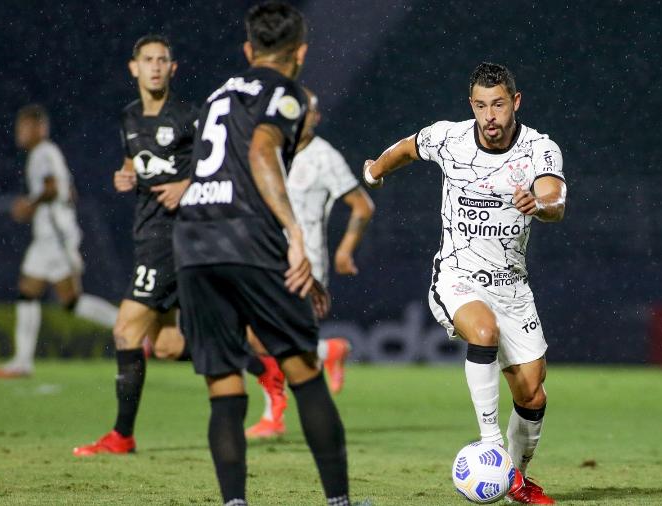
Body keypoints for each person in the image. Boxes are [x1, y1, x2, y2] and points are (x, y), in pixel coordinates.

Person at [362, 62, 566, 504]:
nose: (489, 116)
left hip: (512, 286)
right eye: (480, 106)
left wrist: (540, 204)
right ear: (470, 105)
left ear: (515, 102)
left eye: (497, 105)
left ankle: (515, 478)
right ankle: (490, 443)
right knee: (483, 330)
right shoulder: (449, 138)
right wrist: (374, 172)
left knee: (532, 391)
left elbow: (556, 199)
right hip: (457, 276)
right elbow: (408, 147)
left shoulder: (539, 149)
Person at [173, 3, 351, 505]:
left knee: (224, 387)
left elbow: (206, 168)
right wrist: (294, 232)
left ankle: (234, 503)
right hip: (246, 237)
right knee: (301, 369)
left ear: (249, 50)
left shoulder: (216, 95)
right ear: (300, 54)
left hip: (193, 239)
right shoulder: (287, 93)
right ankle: (338, 501)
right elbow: (261, 150)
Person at [73, 35, 196, 457]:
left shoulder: (188, 117)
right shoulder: (128, 118)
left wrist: (187, 184)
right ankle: (261, 362)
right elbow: (133, 166)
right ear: (134, 68)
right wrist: (122, 177)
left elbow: (222, 170)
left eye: (164, 59)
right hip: (147, 232)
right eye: (148, 60)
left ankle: (121, 436)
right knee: (167, 346)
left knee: (126, 329)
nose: (156, 66)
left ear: (173, 68)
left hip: (172, 236)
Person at [245, 87, 375, 439]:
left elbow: (363, 205)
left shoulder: (324, 157)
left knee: (260, 337)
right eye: (301, 109)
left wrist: (345, 250)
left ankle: (274, 415)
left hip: (306, 265)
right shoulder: (269, 148)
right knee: (259, 339)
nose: (307, 116)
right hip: (266, 257)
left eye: (313, 111)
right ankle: (326, 351)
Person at [0, 105, 118, 379]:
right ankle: (22, 361)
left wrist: (29, 204)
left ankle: (127, 326)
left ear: (39, 128)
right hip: (52, 235)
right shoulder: (49, 153)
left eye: (24, 127)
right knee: (32, 293)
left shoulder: (42, 153)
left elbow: (51, 189)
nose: (19, 133)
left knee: (68, 300)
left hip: (54, 237)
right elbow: (68, 192)